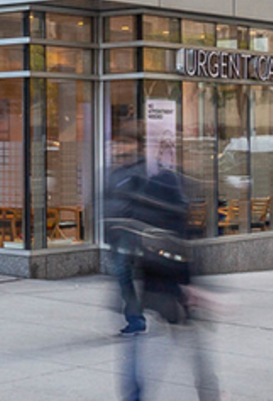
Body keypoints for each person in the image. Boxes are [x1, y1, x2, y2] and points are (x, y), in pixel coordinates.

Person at [104, 134, 218, 400]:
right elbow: (180, 238)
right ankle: (207, 393)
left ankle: (135, 395)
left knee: (147, 352)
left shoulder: (149, 183)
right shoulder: (171, 185)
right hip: (169, 286)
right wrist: (191, 284)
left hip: (152, 281)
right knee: (188, 351)